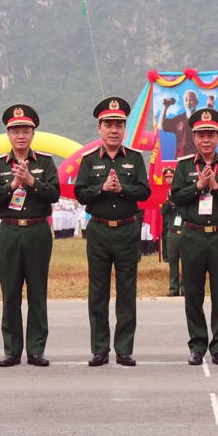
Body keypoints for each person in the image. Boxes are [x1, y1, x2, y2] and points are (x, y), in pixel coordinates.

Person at [74, 96, 151, 367]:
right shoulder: (88, 160)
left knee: (127, 291)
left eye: (119, 124)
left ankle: (124, 349)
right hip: (98, 231)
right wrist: (102, 189)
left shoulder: (135, 158)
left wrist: (122, 189)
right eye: (108, 124)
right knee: (98, 291)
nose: (113, 129)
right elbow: (80, 193)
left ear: (124, 128)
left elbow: (144, 191)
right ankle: (99, 349)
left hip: (127, 230)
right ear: (99, 128)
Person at [168, 108, 218, 366]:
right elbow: (176, 198)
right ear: (193, 137)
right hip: (192, 236)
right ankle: (197, 344)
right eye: (200, 135)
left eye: (211, 134)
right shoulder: (184, 166)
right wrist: (198, 186)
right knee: (193, 293)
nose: (205, 140)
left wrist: (215, 187)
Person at [0, 104, 60, 367]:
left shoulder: (46, 163)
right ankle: (12, 349)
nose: (20, 135)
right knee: (11, 292)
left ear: (33, 133)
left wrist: (31, 181)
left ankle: (37, 349)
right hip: (9, 232)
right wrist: (13, 185)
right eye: (15, 130)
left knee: (38, 292)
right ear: (8, 134)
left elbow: (54, 194)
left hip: (38, 231)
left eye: (25, 130)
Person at [158, 167, 183, 296]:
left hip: (184, 232)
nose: (169, 179)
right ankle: (173, 288)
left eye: (171, 177)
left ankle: (185, 288)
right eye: (167, 177)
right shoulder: (165, 192)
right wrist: (168, 202)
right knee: (173, 262)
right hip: (172, 232)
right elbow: (162, 212)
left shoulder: (182, 190)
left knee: (187, 263)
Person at [157, 89, 200, 158]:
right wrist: (165, 107)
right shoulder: (178, 120)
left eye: (191, 100)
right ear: (183, 103)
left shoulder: (201, 119)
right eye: (186, 100)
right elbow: (161, 126)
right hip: (180, 158)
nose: (188, 103)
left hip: (196, 159)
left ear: (196, 102)